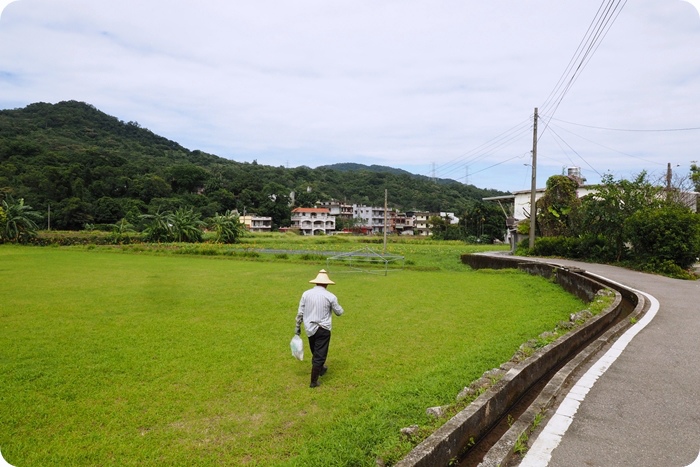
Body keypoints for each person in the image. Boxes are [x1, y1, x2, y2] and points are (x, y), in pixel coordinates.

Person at [295, 269, 344, 388]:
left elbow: (300, 312)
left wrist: (297, 327)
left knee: (315, 350)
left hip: (309, 328)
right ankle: (313, 381)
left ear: (316, 283)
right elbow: (339, 312)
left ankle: (321, 368)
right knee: (320, 353)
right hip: (323, 328)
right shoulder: (330, 296)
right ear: (327, 284)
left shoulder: (306, 294)